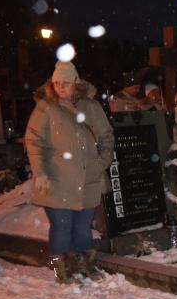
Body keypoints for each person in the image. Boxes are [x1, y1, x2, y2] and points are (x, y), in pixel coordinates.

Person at [24, 60, 114, 283]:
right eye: (56, 83)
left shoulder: (91, 107)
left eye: (65, 82)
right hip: (56, 179)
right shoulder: (46, 107)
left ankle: (85, 265)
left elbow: (106, 137)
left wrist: (101, 163)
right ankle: (62, 272)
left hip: (88, 178)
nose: (60, 87)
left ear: (76, 82)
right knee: (62, 226)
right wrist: (40, 173)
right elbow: (34, 142)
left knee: (83, 227)